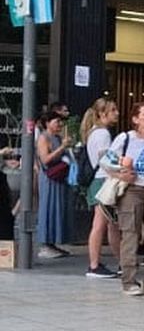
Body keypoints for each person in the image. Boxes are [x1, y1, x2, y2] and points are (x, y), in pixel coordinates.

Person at [104, 104, 144, 296]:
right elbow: (106, 161)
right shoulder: (126, 138)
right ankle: (129, 280)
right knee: (130, 233)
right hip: (132, 189)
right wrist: (121, 174)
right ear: (135, 119)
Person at [81, 98, 121, 279]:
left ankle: (120, 261)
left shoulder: (93, 132)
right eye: (113, 110)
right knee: (101, 224)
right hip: (102, 181)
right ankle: (94, 264)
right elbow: (106, 161)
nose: (117, 113)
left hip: (98, 181)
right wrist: (121, 172)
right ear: (102, 114)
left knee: (110, 223)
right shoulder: (103, 134)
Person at [35, 110, 73, 259]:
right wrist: (62, 147)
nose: (60, 125)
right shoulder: (44, 138)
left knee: (57, 209)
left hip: (59, 178)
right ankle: (44, 244)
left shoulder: (57, 137)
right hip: (49, 178)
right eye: (57, 122)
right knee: (48, 208)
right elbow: (45, 159)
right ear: (47, 123)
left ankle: (52, 242)